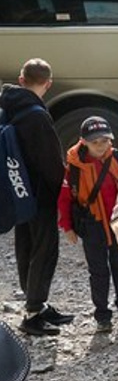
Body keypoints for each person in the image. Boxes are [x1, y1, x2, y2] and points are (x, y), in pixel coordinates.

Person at [1, 60, 70, 337]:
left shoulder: (7, 108)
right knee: (45, 250)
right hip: (40, 193)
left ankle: (36, 306)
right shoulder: (36, 115)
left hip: (17, 191)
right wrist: (63, 189)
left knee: (25, 246)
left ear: (21, 79)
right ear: (48, 84)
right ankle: (32, 312)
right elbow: (50, 162)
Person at [57, 116, 118, 331]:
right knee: (98, 271)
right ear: (84, 141)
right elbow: (65, 199)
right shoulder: (74, 167)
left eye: (104, 141)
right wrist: (67, 226)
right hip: (92, 225)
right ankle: (102, 316)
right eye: (95, 142)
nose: (100, 146)